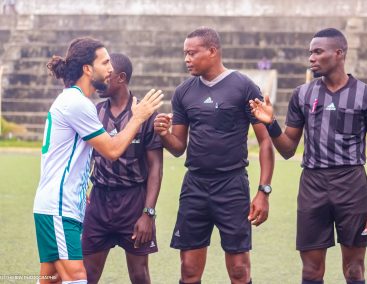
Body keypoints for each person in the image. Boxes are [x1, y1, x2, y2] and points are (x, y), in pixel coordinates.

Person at [250, 28, 367, 284]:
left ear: (339, 53)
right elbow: (288, 149)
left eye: (317, 52)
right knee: (311, 272)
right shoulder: (302, 94)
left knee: (354, 269)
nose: (311, 58)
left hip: (352, 186)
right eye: (310, 52)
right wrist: (271, 124)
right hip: (312, 185)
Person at [33, 37, 163, 284]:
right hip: (59, 207)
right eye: (104, 62)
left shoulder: (74, 101)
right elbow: (112, 150)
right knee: (78, 279)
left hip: (56, 206)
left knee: (51, 280)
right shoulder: (77, 103)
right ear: (87, 69)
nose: (110, 69)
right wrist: (138, 117)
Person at [154, 27, 275, 284]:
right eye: (184, 53)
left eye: (192, 53)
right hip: (195, 185)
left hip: (232, 186)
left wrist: (263, 191)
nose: (186, 59)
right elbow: (178, 147)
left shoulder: (243, 87)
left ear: (212, 51)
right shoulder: (183, 92)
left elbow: (265, 141)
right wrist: (164, 134)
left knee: (240, 270)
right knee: (188, 269)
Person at [81, 53, 163, 284]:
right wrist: (82, 189)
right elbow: (86, 157)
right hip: (99, 201)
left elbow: (156, 166)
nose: (99, 81)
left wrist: (148, 213)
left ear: (121, 78)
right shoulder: (94, 112)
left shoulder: (144, 114)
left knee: (139, 275)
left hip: (133, 202)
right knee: (87, 275)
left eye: (106, 76)